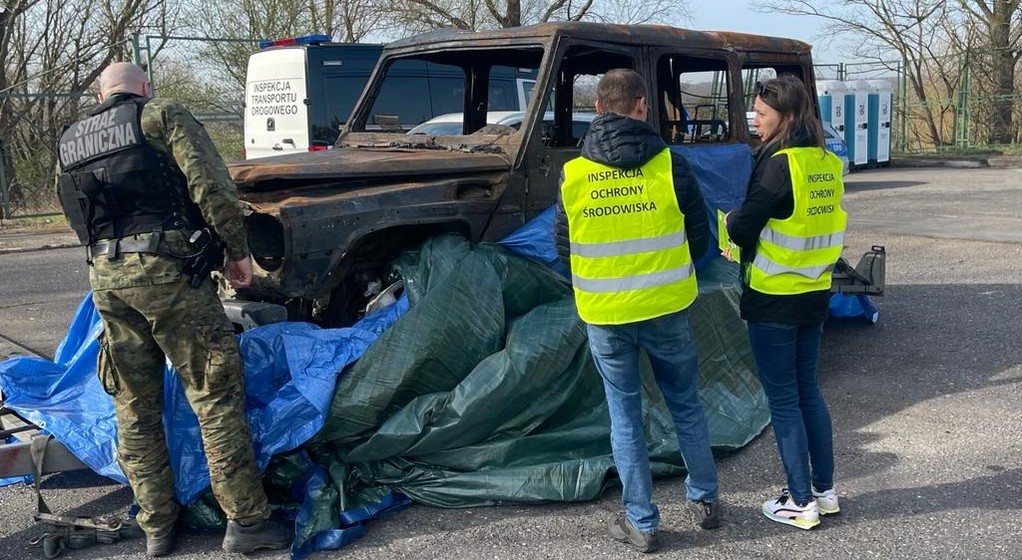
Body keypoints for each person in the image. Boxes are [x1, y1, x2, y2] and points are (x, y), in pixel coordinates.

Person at [55, 62, 292, 556]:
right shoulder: (161, 115)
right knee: (214, 394)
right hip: (168, 272)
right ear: (143, 88)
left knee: (134, 406)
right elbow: (211, 185)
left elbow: (75, 211)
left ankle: (157, 527)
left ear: (102, 94)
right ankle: (247, 523)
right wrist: (235, 251)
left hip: (105, 277)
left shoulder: (71, 138)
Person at [555, 68, 719, 553]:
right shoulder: (671, 164)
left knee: (624, 415)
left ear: (599, 109)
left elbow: (562, 248)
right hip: (667, 306)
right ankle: (706, 499)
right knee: (685, 401)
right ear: (643, 106)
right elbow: (700, 237)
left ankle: (642, 522)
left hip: (605, 313)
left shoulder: (574, 173)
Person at [724, 75, 846, 530]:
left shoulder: (778, 164)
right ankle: (824, 491)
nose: (754, 122)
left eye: (760, 114)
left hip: (774, 298)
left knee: (784, 400)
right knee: (808, 391)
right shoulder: (825, 161)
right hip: (814, 292)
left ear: (786, 116)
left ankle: (799, 502)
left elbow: (742, 228)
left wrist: (733, 222)